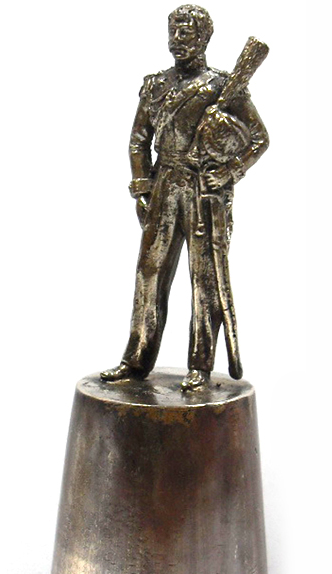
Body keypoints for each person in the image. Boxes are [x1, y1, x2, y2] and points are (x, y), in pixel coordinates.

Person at [100, 4, 268, 391]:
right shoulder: (155, 85)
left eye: (187, 33)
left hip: (204, 191)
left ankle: (201, 365)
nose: (178, 40)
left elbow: (259, 139)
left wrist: (229, 171)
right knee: (149, 273)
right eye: (173, 32)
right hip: (164, 185)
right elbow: (139, 140)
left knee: (204, 279)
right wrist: (142, 188)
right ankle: (136, 360)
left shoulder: (223, 87)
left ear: (205, 38)